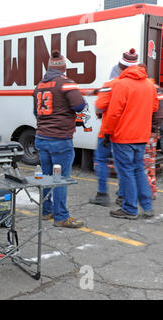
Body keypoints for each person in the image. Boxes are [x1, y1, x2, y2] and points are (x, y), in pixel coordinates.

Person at [33, 50, 87, 228]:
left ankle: (46, 211)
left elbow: (36, 112)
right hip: (60, 139)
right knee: (61, 179)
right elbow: (79, 105)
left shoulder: (39, 86)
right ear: (63, 67)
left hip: (41, 137)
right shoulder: (66, 83)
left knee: (47, 177)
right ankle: (61, 216)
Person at [102, 63, 159, 219]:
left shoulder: (121, 84)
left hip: (124, 136)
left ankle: (130, 208)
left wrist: (107, 133)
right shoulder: (150, 84)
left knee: (126, 172)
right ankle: (147, 207)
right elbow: (154, 107)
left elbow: (113, 113)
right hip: (142, 135)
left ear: (123, 68)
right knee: (139, 170)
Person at [88, 49, 138, 206]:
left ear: (120, 67)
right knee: (122, 164)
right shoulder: (139, 86)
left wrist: (98, 112)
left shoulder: (110, 85)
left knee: (101, 160)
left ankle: (102, 194)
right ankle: (122, 195)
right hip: (127, 132)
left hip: (108, 131)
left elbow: (100, 106)